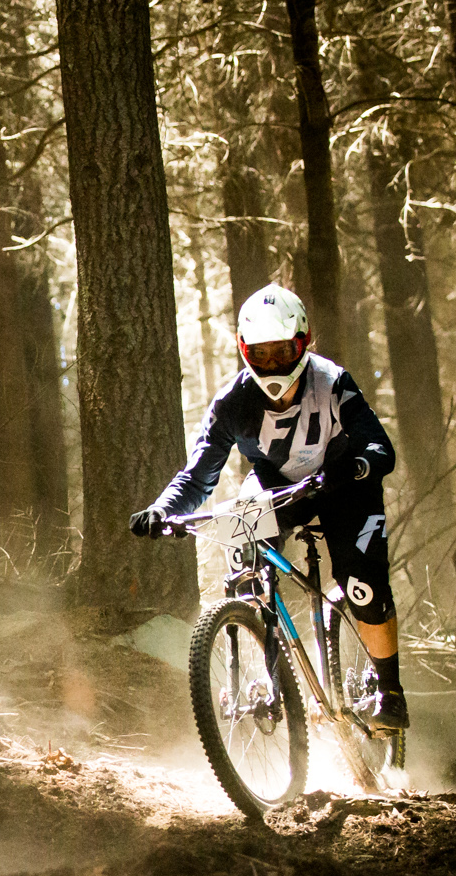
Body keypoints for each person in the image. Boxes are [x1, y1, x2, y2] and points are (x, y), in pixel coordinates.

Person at [130, 283, 409, 730]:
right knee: (241, 550)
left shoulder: (333, 381)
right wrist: (162, 509)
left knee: (362, 586)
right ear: (244, 352)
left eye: (282, 351)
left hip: (342, 484)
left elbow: (382, 449)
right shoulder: (231, 404)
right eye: (261, 354)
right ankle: (266, 676)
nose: (273, 365)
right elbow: (199, 475)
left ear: (303, 341)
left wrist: (355, 467)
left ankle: (389, 691)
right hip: (278, 485)